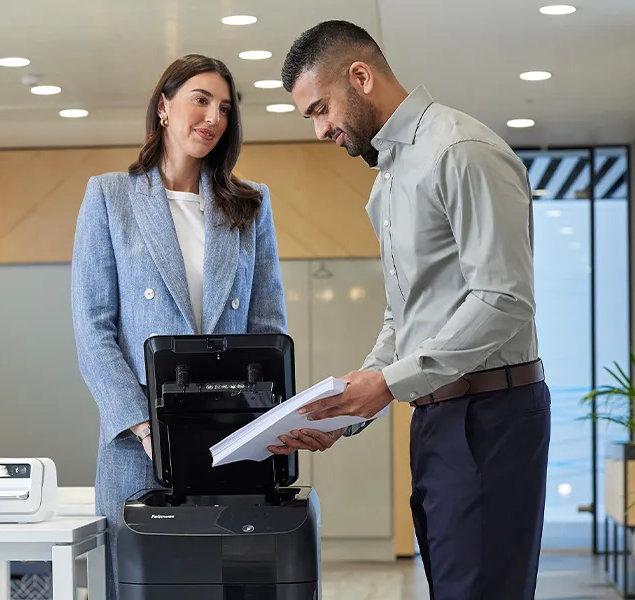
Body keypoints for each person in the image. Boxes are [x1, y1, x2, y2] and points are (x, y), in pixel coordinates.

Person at [269, 20, 550, 600]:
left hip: (491, 415)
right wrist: (343, 412)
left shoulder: (461, 150)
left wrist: (390, 384)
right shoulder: (386, 183)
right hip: (437, 420)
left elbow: (504, 298)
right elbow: (404, 320)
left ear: (361, 76)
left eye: (321, 109)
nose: (322, 130)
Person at [71, 54, 286, 599]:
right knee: (142, 585)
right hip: (138, 442)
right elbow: (93, 329)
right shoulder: (109, 197)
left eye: (224, 108)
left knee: (220, 584)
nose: (213, 116)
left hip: (229, 435)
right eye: (200, 99)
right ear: (164, 107)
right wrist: (147, 429)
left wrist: (266, 425)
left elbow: (266, 326)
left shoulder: (249, 204)